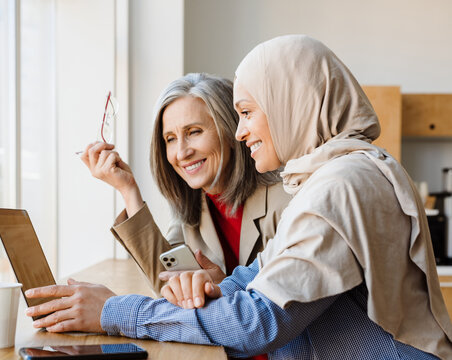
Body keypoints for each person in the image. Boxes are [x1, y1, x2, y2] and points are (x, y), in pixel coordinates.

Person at [26, 36, 452, 359]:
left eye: (246, 112)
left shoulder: (339, 186)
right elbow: (255, 280)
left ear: (292, 102)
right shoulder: (332, 178)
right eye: (171, 139)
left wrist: (116, 311)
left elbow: (257, 323)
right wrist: (215, 288)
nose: (241, 129)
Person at [79, 73, 291, 296]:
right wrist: (128, 190)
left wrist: (225, 288)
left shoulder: (285, 199)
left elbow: (277, 307)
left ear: (230, 132)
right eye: (170, 139)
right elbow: (167, 282)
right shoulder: (192, 203)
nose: (182, 152)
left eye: (194, 132)